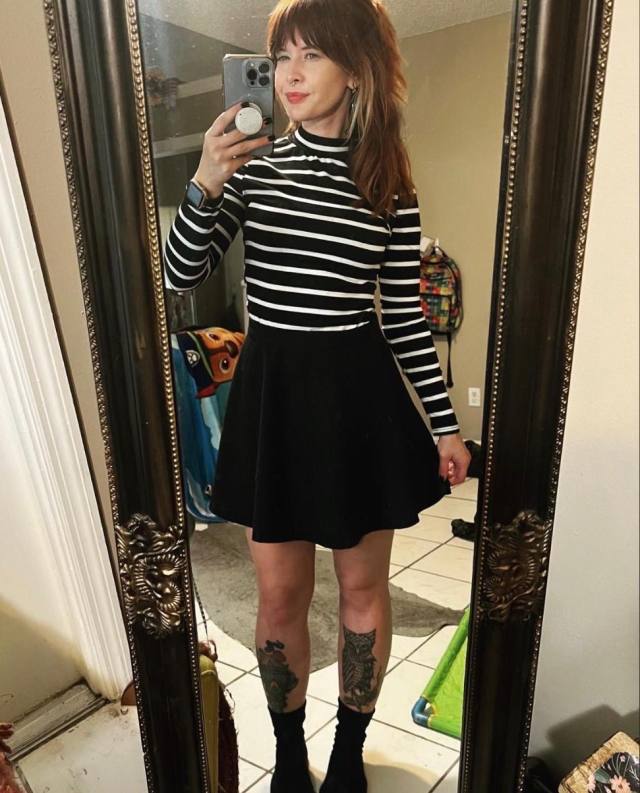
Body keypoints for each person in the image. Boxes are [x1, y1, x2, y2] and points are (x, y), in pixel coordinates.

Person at [163, 0, 471, 790]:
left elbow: (404, 317)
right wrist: (204, 180)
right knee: (279, 595)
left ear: (356, 69)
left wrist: (445, 427)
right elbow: (180, 274)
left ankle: (347, 754)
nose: (290, 75)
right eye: (282, 57)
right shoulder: (253, 167)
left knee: (363, 589)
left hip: (359, 400)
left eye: (312, 55)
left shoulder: (389, 183)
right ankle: (289, 752)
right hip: (274, 401)